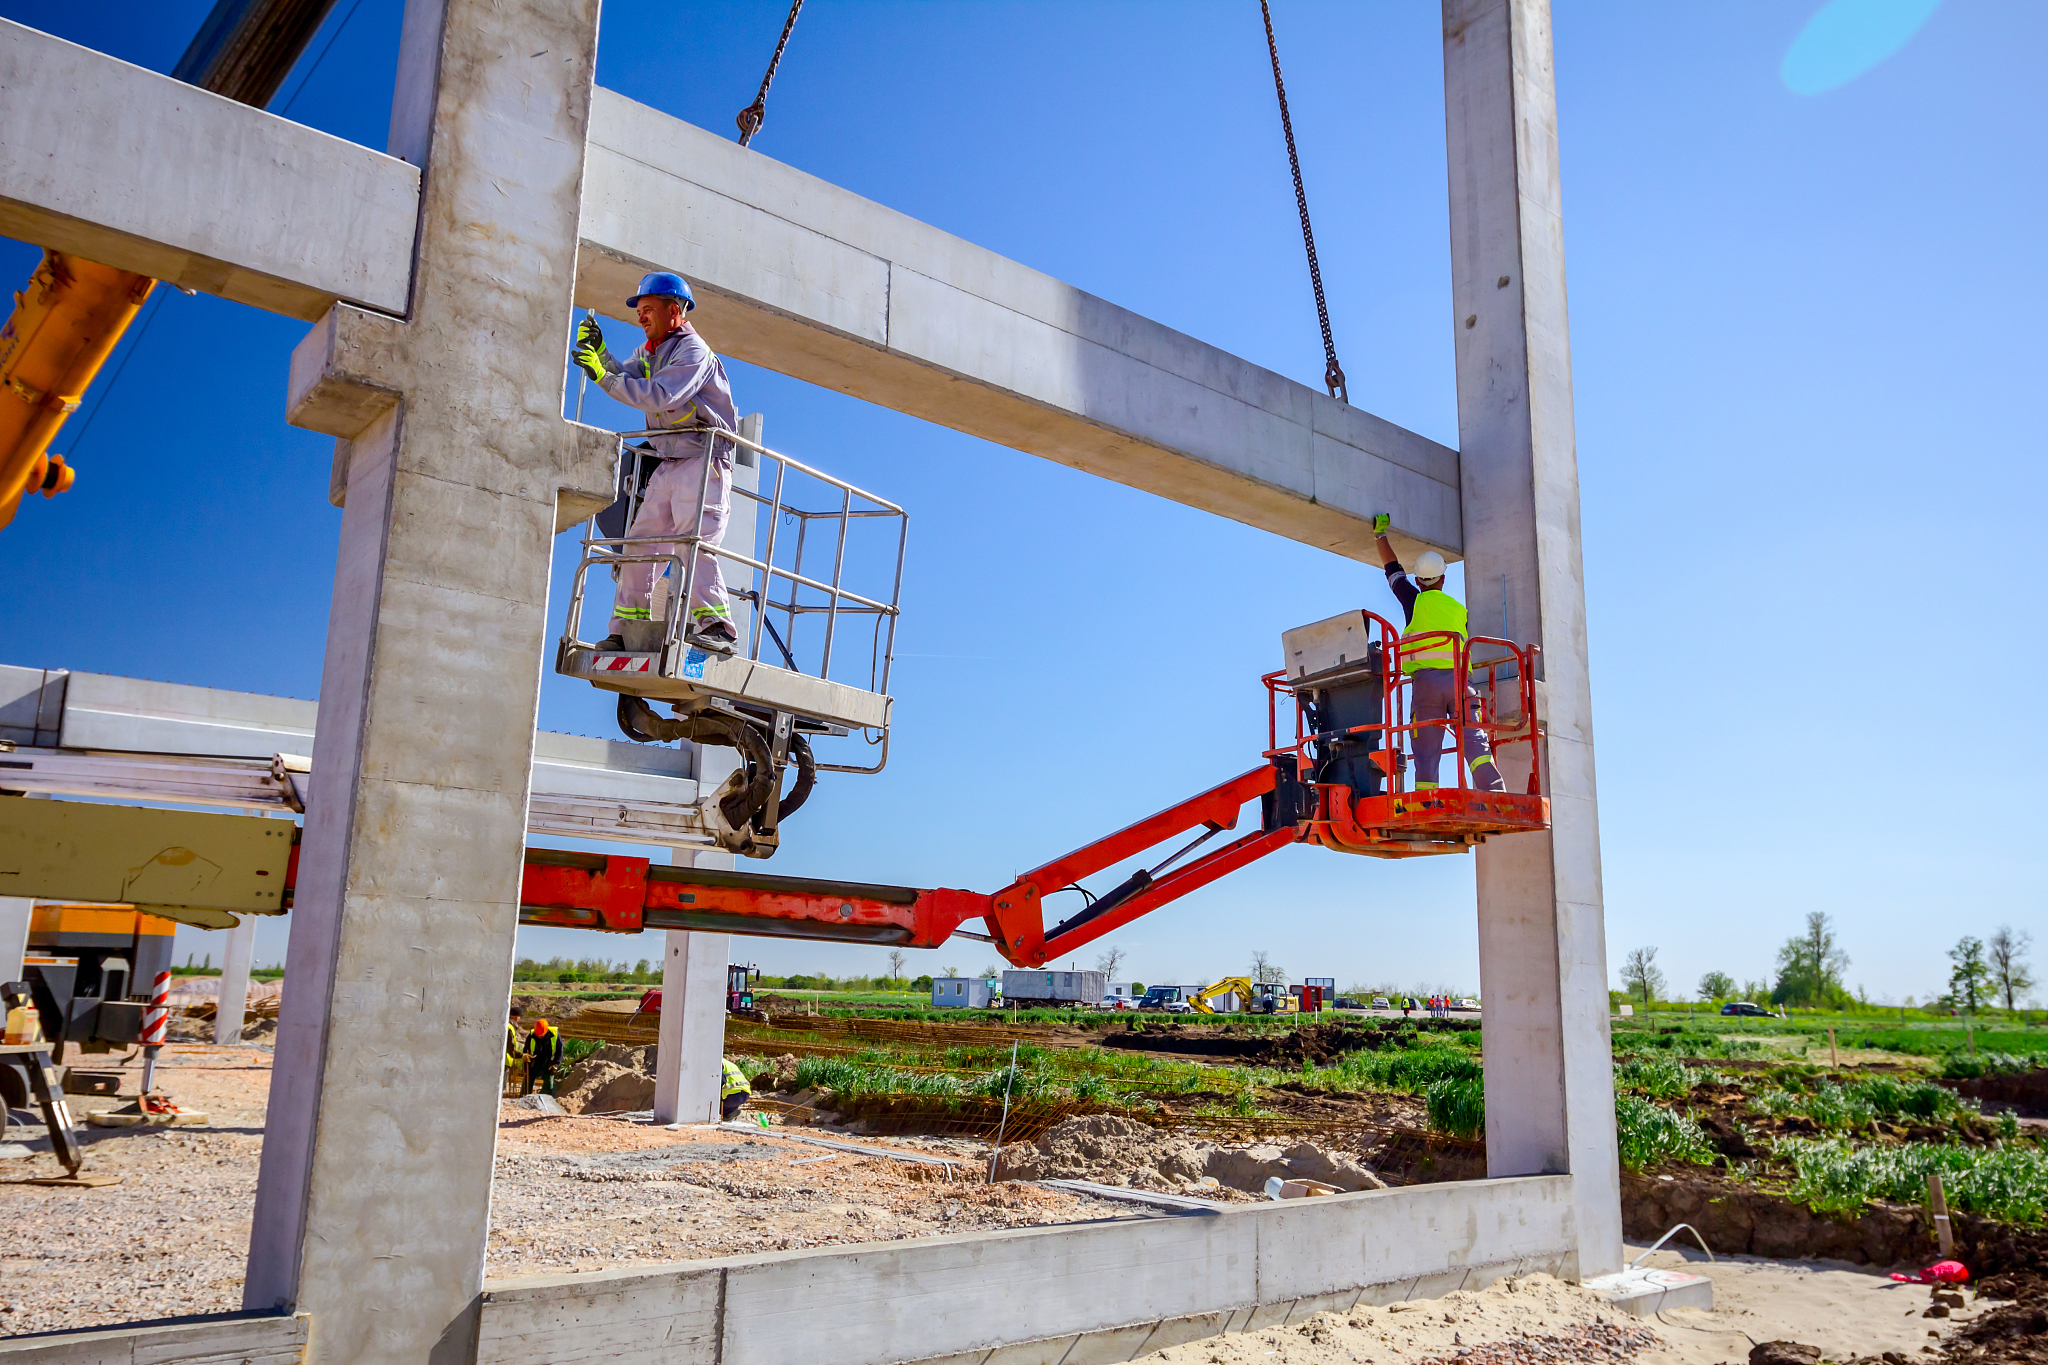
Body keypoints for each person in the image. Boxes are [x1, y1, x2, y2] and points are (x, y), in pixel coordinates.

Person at [572, 272, 742, 653]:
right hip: (669, 461)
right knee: (639, 544)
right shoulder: (650, 351)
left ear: (675, 310)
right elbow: (626, 374)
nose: (641, 316)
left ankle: (717, 627)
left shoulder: (693, 352)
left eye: (648, 309)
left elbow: (661, 395)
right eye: (639, 309)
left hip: (703, 458)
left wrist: (602, 376)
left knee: (690, 542)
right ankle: (625, 630)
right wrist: (600, 355)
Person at [1372, 514, 1505, 794]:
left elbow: (1392, 571)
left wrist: (1380, 534)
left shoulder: (1413, 600)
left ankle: (1426, 799)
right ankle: (1494, 791)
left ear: (1418, 580)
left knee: (1426, 748)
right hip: (1460, 684)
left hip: (1426, 687)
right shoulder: (1459, 610)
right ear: (1443, 578)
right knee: (1475, 742)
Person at [525, 1017, 561, 1097]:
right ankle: (525, 1095)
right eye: (538, 1035)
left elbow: (559, 1051)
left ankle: (545, 1096)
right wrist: (525, 1061)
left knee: (548, 1081)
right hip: (535, 1061)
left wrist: (556, 1064)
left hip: (549, 1062)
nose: (539, 1037)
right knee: (528, 1080)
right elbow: (526, 1049)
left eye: (541, 1035)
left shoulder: (555, 1035)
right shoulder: (531, 1035)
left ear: (546, 1031)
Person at [720, 1057, 751, 1121]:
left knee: (710, 1103)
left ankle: (728, 1113)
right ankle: (731, 1111)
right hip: (745, 1093)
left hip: (732, 1095)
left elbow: (721, 1081)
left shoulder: (715, 1063)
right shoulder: (726, 1063)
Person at [505, 1007, 527, 1093]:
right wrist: (521, 1056)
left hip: (507, 1060)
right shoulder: (509, 1027)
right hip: (505, 1060)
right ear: (515, 1016)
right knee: (501, 1086)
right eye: (519, 1016)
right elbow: (510, 1048)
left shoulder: (510, 1025)